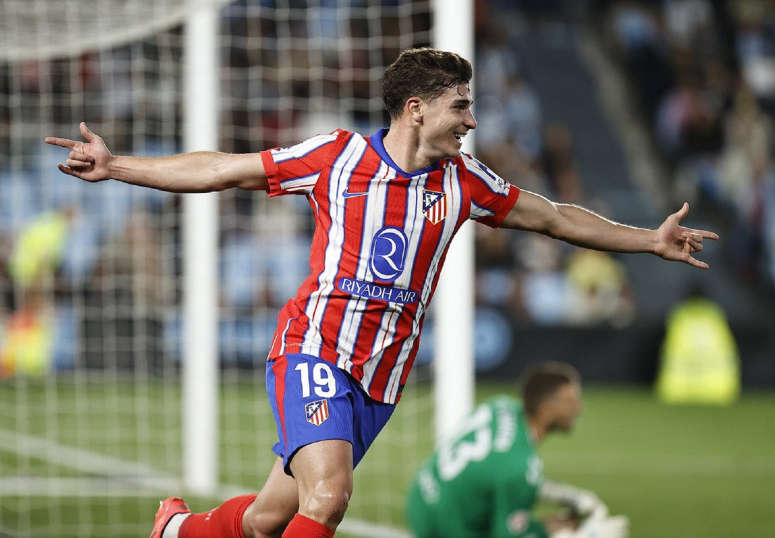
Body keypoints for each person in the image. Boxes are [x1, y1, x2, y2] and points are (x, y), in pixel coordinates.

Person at [44, 47, 717, 538]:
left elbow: (556, 217)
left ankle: (176, 531)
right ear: (416, 108)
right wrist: (119, 166)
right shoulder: (337, 157)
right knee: (331, 496)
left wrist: (647, 239)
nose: (471, 122)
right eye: (461, 107)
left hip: (378, 381)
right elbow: (223, 168)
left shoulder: (466, 181)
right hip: (313, 349)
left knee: (265, 522)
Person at [405, 361, 628, 538]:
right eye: (571, 402)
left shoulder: (499, 405)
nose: (579, 409)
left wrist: (548, 491)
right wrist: (581, 534)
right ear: (546, 411)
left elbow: (489, 470)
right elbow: (508, 535)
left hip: (421, 497)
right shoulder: (520, 468)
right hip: (447, 529)